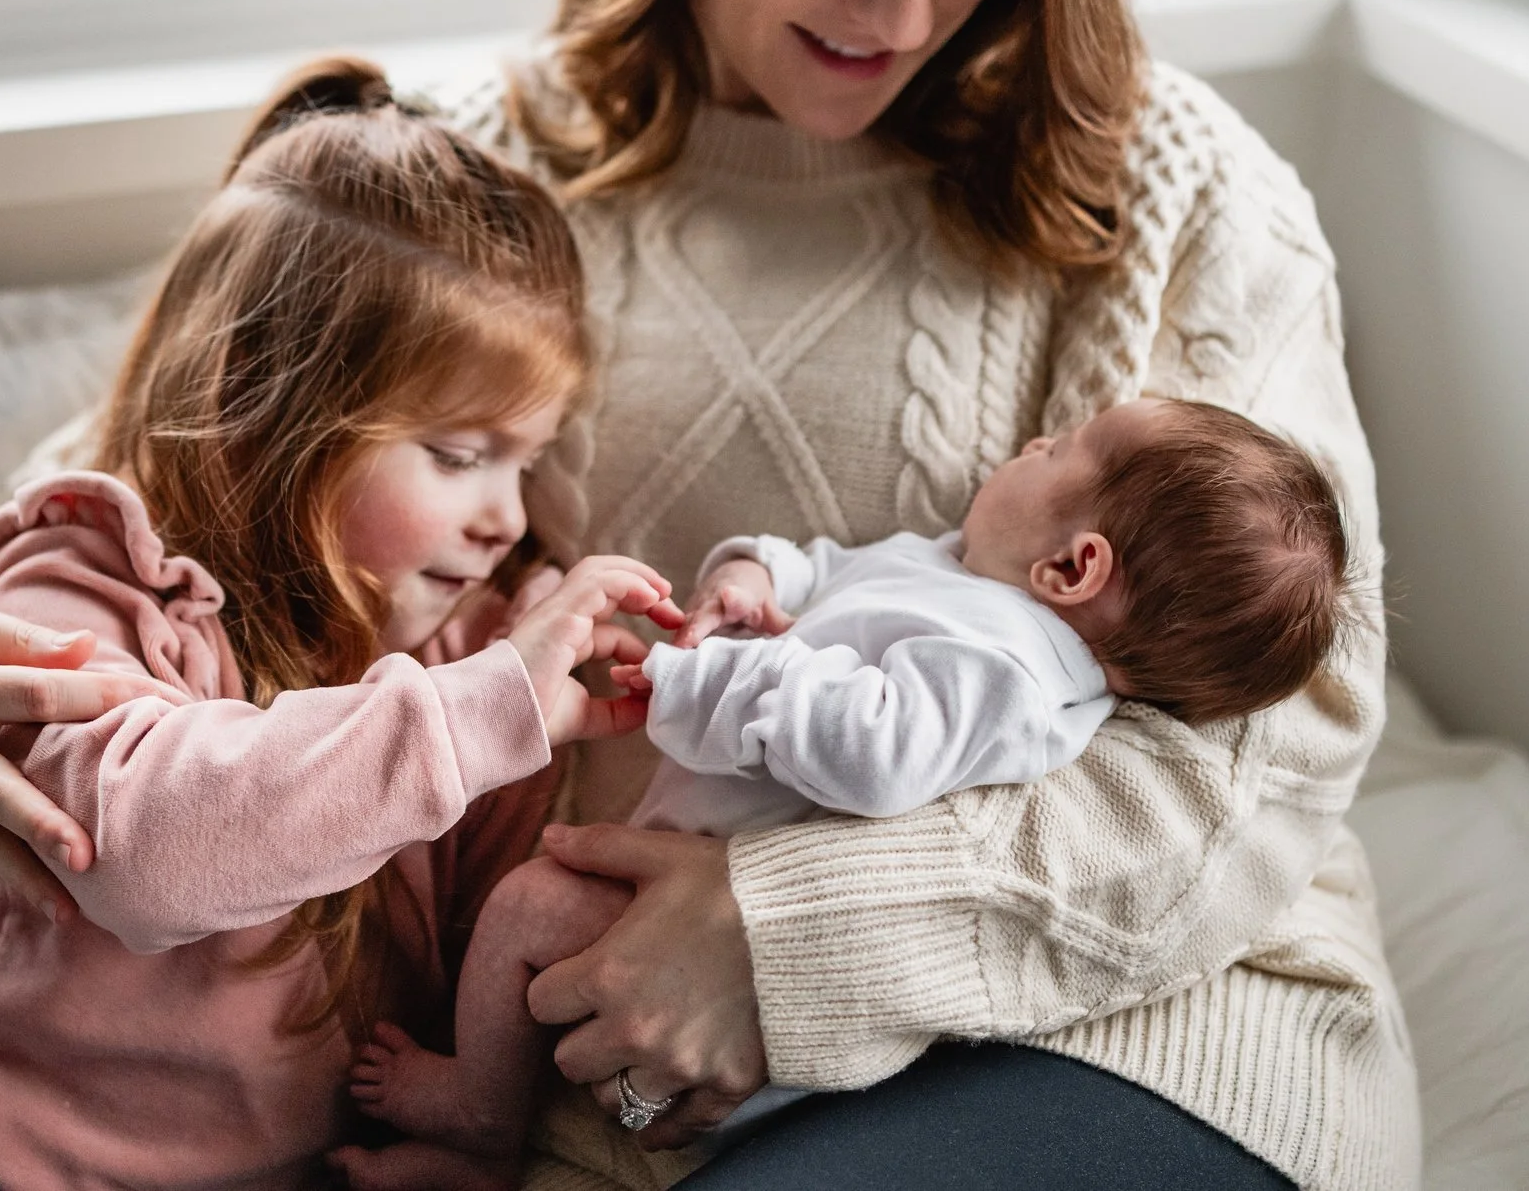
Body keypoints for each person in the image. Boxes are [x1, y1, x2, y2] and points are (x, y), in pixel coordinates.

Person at [0, 0, 1419, 1187]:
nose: (904, 0)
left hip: (1116, 1029)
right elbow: (170, 486)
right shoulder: (477, 167)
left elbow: (1270, 755)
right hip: (586, 1072)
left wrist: (786, 936)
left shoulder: (1182, 195)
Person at [0, 66, 685, 1191]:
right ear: (264, 409)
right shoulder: (86, 579)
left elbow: (474, 956)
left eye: (526, 462)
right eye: (456, 456)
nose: (507, 518)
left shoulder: (474, 654)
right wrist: (489, 709)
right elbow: (142, 860)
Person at [342, 397, 1351, 1188]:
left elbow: (876, 749)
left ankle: (480, 1120)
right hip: (693, 899)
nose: (1034, 442)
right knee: (532, 905)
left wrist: (705, 681)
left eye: (1060, 449)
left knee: (528, 905)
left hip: (760, 965)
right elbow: (830, 574)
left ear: (1073, 565)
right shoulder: (956, 571)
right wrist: (754, 578)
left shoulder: (1008, 668)